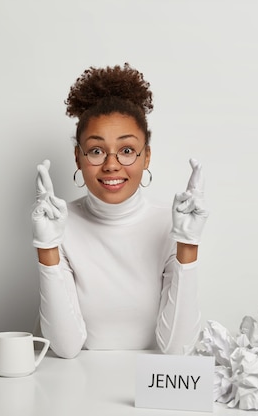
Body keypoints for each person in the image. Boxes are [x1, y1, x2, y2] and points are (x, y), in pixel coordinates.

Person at [31, 63, 208, 358]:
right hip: (75, 385)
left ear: (146, 156)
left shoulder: (171, 223)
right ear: (78, 156)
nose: (112, 165)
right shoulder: (57, 223)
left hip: (151, 386)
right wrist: (47, 248)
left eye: (126, 150)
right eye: (97, 151)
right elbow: (65, 348)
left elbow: (179, 349)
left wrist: (188, 243)